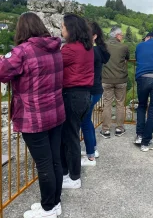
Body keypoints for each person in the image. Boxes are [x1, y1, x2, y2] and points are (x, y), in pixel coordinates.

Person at [0, 12, 64, 218]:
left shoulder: (23, 51)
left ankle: (48, 208)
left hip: (33, 115)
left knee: (44, 163)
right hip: (55, 112)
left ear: (21, 30)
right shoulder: (56, 48)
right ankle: (54, 203)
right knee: (55, 159)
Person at [60, 13, 94, 189]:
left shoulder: (70, 49)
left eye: (63, 27)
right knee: (73, 134)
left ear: (70, 29)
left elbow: (54, 63)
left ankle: (73, 177)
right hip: (84, 96)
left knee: (70, 138)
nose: (61, 29)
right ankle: (70, 174)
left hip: (71, 95)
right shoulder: (87, 47)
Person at [80, 22, 110, 166]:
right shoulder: (99, 50)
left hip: (90, 91)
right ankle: (93, 149)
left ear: (94, 36)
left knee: (84, 121)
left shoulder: (92, 51)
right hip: (96, 90)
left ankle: (90, 156)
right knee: (87, 120)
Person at [100, 26, 130, 139]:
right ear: (117, 35)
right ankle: (119, 128)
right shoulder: (124, 47)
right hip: (121, 79)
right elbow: (127, 57)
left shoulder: (103, 46)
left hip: (106, 79)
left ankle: (106, 130)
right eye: (121, 35)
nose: (122, 37)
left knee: (107, 104)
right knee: (120, 104)